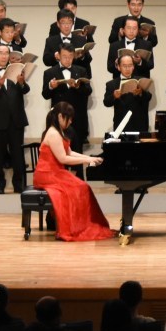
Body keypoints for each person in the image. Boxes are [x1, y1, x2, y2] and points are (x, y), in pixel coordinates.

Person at [32, 102, 114, 241]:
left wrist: (90, 158)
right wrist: (87, 161)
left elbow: (69, 152)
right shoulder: (53, 133)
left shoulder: (58, 132)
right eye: (68, 118)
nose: (70, 121)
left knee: (82, 187)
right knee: (80, 187)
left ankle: (82, 225)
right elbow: (63, 158)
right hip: (47, 174)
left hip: (55, 172)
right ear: (60, 116)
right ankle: (77, 227)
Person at [0, 44, 31, 194]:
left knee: (17, 154)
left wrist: (22, 83)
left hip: (16, 120)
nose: (4, 56)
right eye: (0, 53)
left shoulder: (16, 71)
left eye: (6, 53)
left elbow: (25, 90)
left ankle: (19, 184)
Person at [41, 43, 93, 149]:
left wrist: (78, 86)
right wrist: (51, 86)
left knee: (77, 149)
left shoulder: (81, 70)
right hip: (59, 118)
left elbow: (88, 91)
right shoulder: (49, 72)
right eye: (64, 56)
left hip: (77, 116)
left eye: (70, 56)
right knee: (59, 149)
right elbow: (45, 95)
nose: (68, 59)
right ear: (58, 56)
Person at [104, 54, 152, 132]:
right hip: (121, 124)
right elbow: (106, 102)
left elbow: (149, 97)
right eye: (124, 66)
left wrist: (141, 93)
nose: (127, 69)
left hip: (139, 123)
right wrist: (114, 96)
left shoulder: (140, 80)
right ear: (118, 67)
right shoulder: (111, 84)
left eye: (130, 65)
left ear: (133, 67)